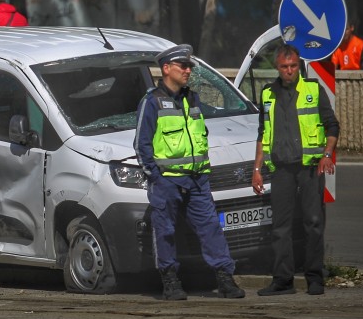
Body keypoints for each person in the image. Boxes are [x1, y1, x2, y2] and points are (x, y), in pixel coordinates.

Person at [134, 44, 245, 301]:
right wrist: (155, 176)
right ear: (166, 69)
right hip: (167, 182)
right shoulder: (152, 102)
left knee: (211, 229)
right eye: (183, 66)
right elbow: (142, 145)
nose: (187, 71)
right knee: (165, 231)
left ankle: (225, 279)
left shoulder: (192, 98)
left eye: (189, 67)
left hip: (197, 180)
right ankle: (170, 281)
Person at [252, 44, 339, 297]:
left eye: (293, 66)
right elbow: (262, 133)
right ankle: (282, 281)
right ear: (276, 67)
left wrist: (326, 155)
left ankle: (314, 278)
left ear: (298, 65)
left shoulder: (313, 89)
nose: (289, 71)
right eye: (284, 67)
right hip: (281, 169)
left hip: (310, 168)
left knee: (313, 222)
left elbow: (332, 126)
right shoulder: (268, 93)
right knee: (280, 227)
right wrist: (256, 169)